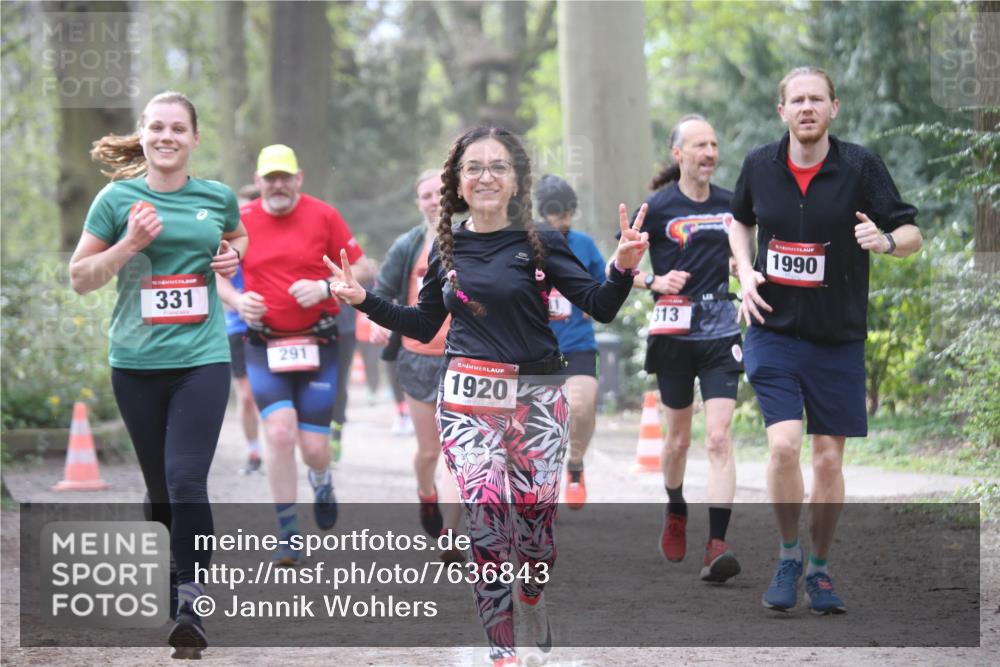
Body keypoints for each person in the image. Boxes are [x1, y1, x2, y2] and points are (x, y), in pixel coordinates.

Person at [324, 126, 649, 667]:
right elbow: (423, 322)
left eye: (498, 166)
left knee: (536, 534)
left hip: (537, 399)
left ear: (516, 180)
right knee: (487, 517)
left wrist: (622, 266)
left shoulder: (541, 241)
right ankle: (502, 651)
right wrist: (363, 299)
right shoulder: (446, 245)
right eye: (473, 167)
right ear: (458, 182)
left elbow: (601, 304)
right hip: (468, 399)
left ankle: (532, 593)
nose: (486, 176)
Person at [729, 67, 921, 614]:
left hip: (837, 335)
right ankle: (788, 555)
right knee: (784, 445)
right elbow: (738, 221)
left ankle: (818, 567)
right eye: (797, 100)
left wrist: (884, 241)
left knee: (829, 461)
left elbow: (912, 233)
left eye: (817, 99)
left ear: (834, 107)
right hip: (773, 328)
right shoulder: (760, 165)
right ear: (782, 111)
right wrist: (746, 270)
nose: (807, 107)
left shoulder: (860, 166)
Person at [68, 91, 247, 657]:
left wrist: (233, 257)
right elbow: (81, 277)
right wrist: (130, 244)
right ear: (143, 135)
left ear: (194, 138)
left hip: (202, 359)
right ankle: (174, 573)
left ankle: (191, 602)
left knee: (187, 479)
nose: (167, 136)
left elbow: (236, 236)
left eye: (178, 128)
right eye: (157, 127)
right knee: (160, 490)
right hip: (136, 364)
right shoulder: (116, 199)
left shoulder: (216, 197)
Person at [619, 114, 745, 583]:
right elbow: (619, 265)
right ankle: (675, 507)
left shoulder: (733, 204)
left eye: (713, 144)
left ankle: (717, 545)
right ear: (678, 154)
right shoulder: (657, 207)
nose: (709, 153)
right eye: (699, 145)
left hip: (720, 327)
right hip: (673, 331)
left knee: (718, 438)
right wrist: (654, 280)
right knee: (678, 441)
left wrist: (742, 267)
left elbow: (746, 254)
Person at [236, 144, 373, 565]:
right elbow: (212, 270)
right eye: (269, 178)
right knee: (279, 433)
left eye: (285, 177)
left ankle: (321, 477)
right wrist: (238, 301)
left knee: (314, 447)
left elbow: (363, 269)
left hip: (319, 343)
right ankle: (288, 532)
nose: (277, 185)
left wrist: (324, 287)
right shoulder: (240, 220)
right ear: (258, 182)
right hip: (264, 344)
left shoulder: (324, 215)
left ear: (298, 179)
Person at [367, 168, 463, 555]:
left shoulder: (470, 239)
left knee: (456, 448)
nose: (435, 200)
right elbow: (382, 292)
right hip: (417, 357)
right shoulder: (408, 244)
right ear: (418, 203)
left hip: (463, 357)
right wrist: (377, 322)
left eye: (441, 192)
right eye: (426, 195)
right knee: (430, 451)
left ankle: (451, 532)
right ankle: (426, 492)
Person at [534, 174, 605, 509]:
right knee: (537, 421)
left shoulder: (584, 245)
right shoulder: (525, 244)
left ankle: (575, 464)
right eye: (556, 214)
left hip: (578, 343)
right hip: (536, 347)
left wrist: (596, 298)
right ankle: (540, 484)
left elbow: (605, 285)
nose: (563, 221)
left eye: (568, 213)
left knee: (581, 406)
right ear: (541, 213)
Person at [218, 184, 263, 475]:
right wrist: (236, 301)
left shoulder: (270, 238)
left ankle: (283, 441)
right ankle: (254, 451)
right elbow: (215, 281)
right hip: (237, 326)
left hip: (273, 325)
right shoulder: (226, 240)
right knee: (246, 396)